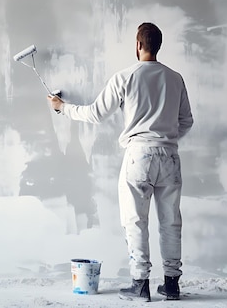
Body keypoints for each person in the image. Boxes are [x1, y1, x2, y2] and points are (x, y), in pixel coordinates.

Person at [48, 22, 193, 302]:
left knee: (135, 221)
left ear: (138, 45)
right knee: (171, 222)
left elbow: (95, 114)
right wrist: (167, 138)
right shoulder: (176, 78)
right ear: (158, 46)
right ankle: (172, 285)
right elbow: (186, 121)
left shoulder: (125, 77)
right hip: (170, 157)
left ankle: (140, 286)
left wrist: (62, 107)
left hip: (139, 156)